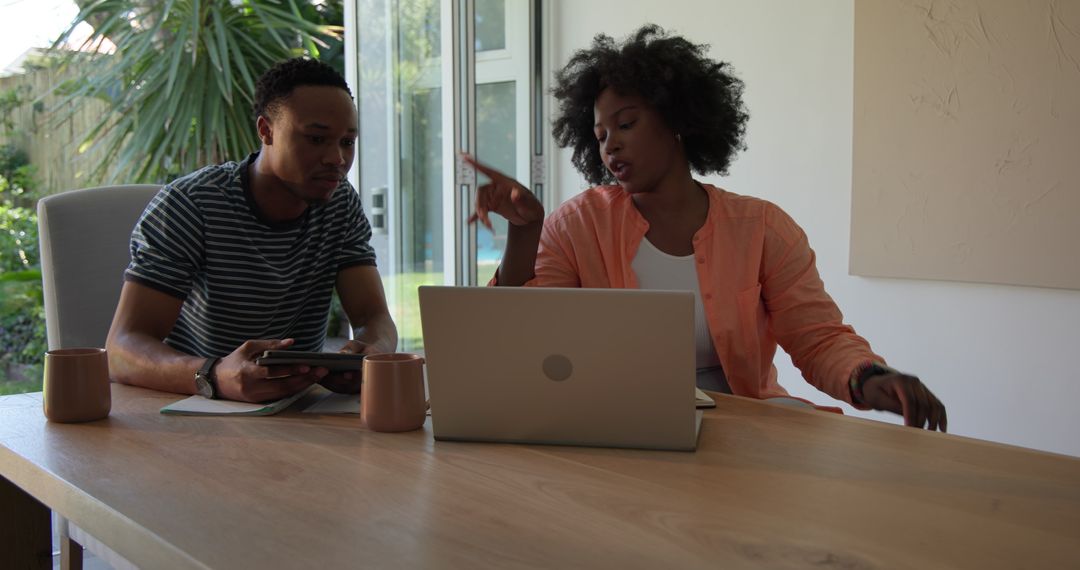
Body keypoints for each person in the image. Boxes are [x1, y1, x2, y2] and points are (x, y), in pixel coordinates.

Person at [465, 25, 947, 431]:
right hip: (618, 424)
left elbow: (818, 337)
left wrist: (869, 378)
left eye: (626, 124)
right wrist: (525, 231)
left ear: (676, 120)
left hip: (746, 427)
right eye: (601, 136)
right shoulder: (577, 224)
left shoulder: (762, 227)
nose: (610, 146)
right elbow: (526, 333)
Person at [106, 58, 397, 403]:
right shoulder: (190, 205)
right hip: (190, 410)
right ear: (266, 130)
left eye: (347, 142)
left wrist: (372, 353)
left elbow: (373, 316)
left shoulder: (340, 204)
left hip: (295, 412)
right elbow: (121, 348)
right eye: (316, 138)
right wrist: (213, 376)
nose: (336, 158)